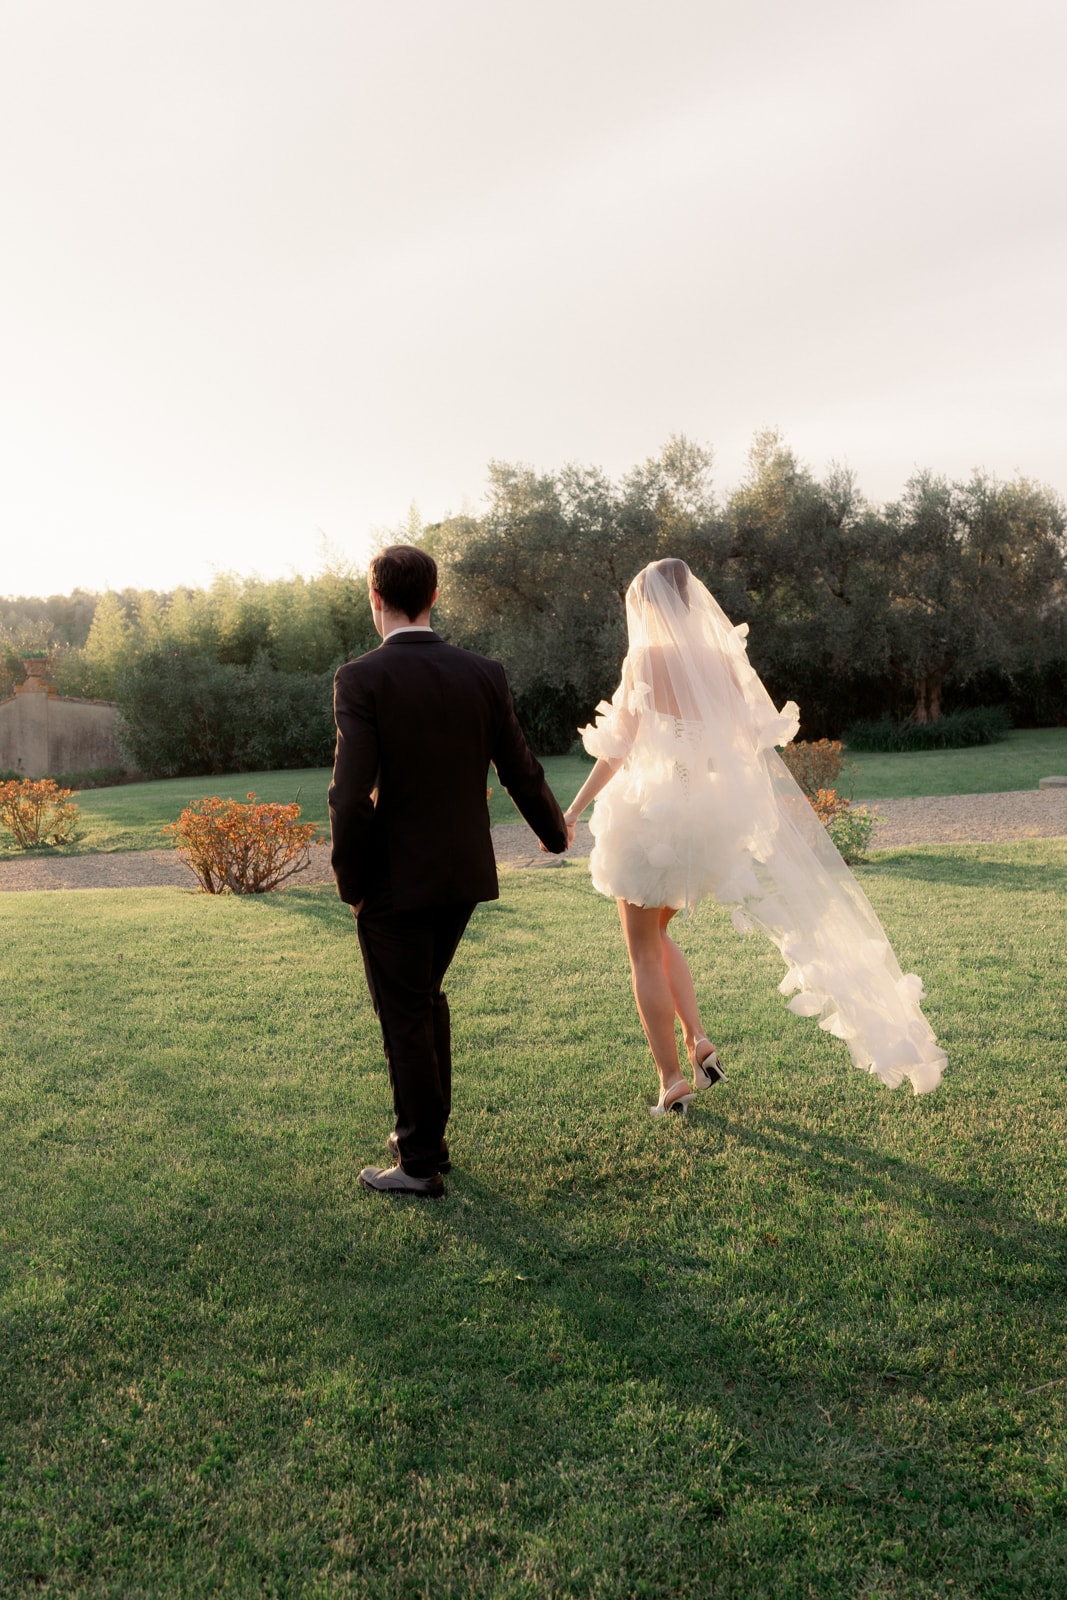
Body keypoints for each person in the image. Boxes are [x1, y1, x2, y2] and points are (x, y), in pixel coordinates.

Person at [563, 558, 946, 1112]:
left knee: (642, 950)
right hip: (706, 823)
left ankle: (671, 1080)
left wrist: (574, 810)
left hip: (651, 820)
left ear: (648, 606)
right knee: (661, 935)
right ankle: (698, 1040)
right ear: (690, 601)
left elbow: (618, 748)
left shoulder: (645, 659)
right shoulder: (720, 661)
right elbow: (743, 745)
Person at [329, 544, 568, 1198]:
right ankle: (425, 1140)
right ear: (433, 598)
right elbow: (520, 766)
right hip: (461, 874)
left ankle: (418, 1164)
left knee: (404, 1011)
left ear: (375, 598)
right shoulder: (482, 673)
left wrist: (351, 883)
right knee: (422, 999)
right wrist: (553, 833)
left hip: (392, 881)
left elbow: (348, 795)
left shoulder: (361, 678)